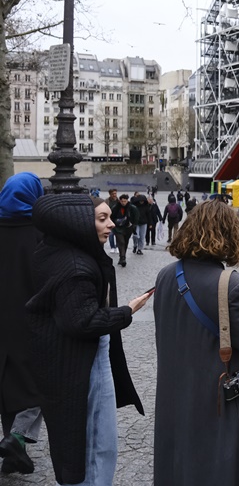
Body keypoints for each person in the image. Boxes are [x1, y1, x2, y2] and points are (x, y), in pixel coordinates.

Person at [26, 195, 150, 485]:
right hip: (83, 362)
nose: (111, 225)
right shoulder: (77, 267)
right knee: (96, 444)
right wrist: (126, 312)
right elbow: (82, 322)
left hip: (63, 361)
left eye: (110, 217)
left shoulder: (53, 250)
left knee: (79, 442)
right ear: (78, 224)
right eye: (102, 219)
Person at [152, 200, 239, 486]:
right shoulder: (230, 284)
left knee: (180, 465)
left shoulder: (166, 276)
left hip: (175, 394)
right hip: (217, 397)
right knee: (219, 467)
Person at [0, 173, 44, 475]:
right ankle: (15, 439)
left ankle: (13, 452)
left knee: (8, 387)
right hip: (30, 322)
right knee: (37, 386)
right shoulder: (41, 234)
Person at [110, 193, 139, 268]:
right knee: (121, 242)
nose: (123, 203)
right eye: (122, 201)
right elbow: (111, 217)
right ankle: (123, 258)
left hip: (128, 228)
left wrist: (133, 225)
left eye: (125, 201)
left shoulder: (132, 208)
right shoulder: (115, 207)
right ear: (120, 201)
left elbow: (136, 217)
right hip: (118, 228)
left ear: (127, 200)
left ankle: (122, 256)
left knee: (125, 242)